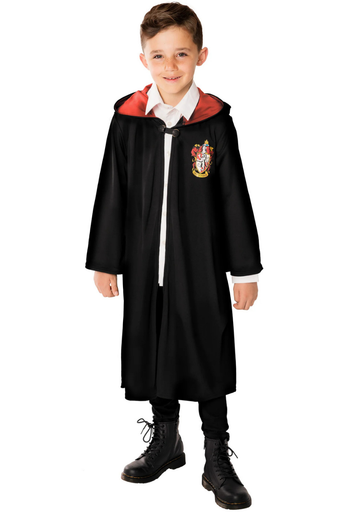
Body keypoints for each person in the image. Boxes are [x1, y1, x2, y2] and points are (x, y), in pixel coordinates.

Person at [85, 2, 262, 509]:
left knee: (206, 350)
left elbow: (233, 198)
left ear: (201, 56)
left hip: (199, 263)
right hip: (145, 263)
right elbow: (112, 191)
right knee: (152, 346)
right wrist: (105, 259)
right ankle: (166, 441)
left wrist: (244, 271)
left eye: (181, 53)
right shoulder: (128, 119)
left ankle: (216, 456)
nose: (170, 65)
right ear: (143, 59)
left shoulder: (214, 122)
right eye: (158, 55)